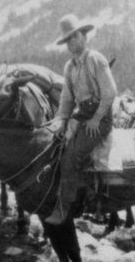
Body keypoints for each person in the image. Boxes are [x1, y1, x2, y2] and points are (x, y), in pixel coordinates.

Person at [45, 14, 117, 224]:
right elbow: (67, 100)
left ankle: (64, 208)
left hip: (100, 117)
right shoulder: (70, 67)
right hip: (82, 114)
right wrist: (61, 121)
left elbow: (110, 93)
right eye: (67, 40)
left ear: (84, 36)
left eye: (74, 37)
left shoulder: (96, 59)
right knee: (55, 146)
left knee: (72, 157)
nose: (71, 42)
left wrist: (96, 119)